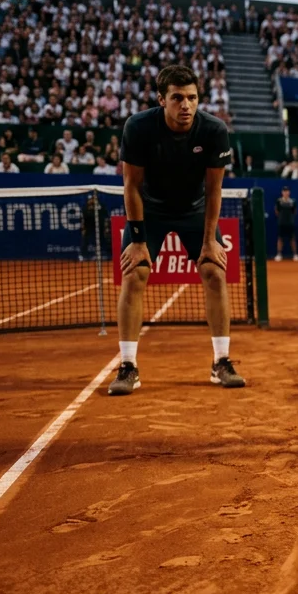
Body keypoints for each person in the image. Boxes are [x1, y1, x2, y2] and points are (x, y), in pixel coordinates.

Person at [107, 64, 244, 396]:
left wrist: (210, 239)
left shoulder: (213, 130)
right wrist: (138, 240)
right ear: (161, 100)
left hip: (194, 209)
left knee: (214, 271)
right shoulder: (138, 127)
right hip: (149, 208)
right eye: (178, 98)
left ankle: (221, 362)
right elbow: (131, 186)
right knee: (135, 272)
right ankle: (128, 366)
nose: (186, 105)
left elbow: (214, 191)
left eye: (193, 98)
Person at [274, 186, 298, 261]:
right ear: (282, 192)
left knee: (292, 239)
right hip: (281, 222)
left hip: (290, 223)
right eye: (284, 191)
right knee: (280, 238)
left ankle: (295, 254)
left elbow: (295, 212)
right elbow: (276, 211)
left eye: (287, 191)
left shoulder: (293, 201)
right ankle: (279, 254)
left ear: (289, 192)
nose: (286, 192)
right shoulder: (278, 201)